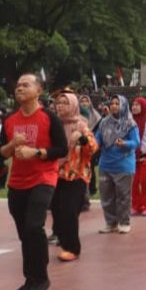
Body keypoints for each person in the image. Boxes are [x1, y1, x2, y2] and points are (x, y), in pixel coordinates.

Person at [0, 74, 68, 290]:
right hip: (17, 182)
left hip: (43, 178)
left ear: (38, 90)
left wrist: (36, 152)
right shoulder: (9, 119)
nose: (19, 88)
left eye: (25, 85)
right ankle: (30, 280)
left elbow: (62, 149)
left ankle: (41, 279)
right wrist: (13, 144)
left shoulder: (49, 117)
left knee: (33, 226)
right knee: (25, 234)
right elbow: (2, 152)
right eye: (17, 85)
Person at [50, 90, 97, 262]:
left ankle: (72, 248)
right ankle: (63, 243)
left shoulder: (80, 126)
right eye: (58, 103)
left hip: (76, 175)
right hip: (56, 174)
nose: (60, 106)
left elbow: (93, 148)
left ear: (73, 106)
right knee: (56, 210)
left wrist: (82, 139)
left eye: (65, 103)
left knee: (70, 212)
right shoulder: (54, 125)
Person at [95, 95, 140, 234]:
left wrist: (125, 143)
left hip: (124, 166)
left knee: (123, 196)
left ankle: (124, 222)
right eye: (112, 103)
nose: (114, 106)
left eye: (117, 103)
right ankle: (111, 223)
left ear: (123, 105)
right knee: (106, 196)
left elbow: (136, 142)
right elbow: (97, 140)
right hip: (105, 165)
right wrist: (90, 145)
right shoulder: (104, 122)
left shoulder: (130, 123)